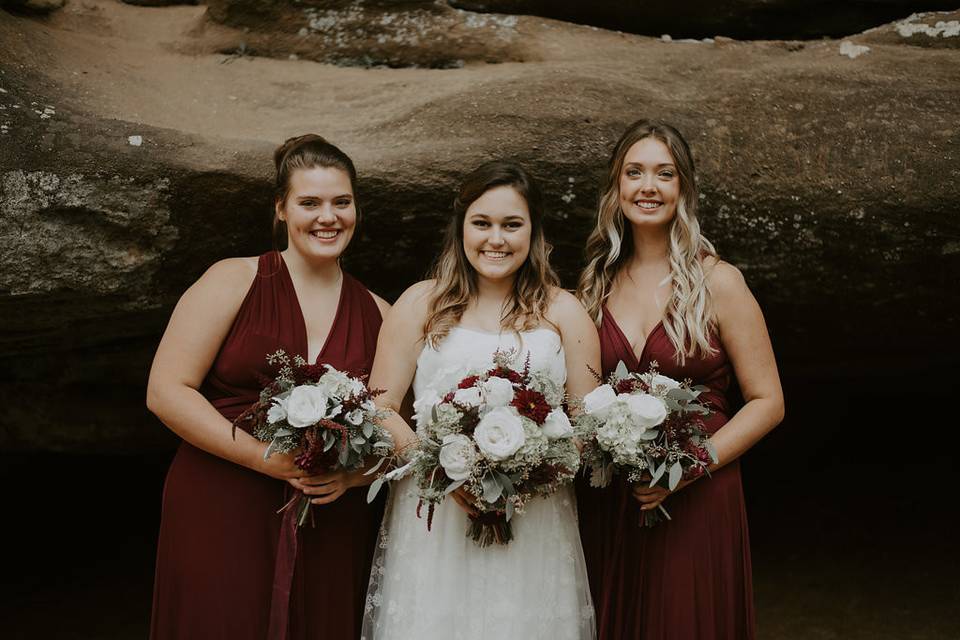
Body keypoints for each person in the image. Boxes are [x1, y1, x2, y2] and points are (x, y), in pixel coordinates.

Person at [147, 134, 390, 640]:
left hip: (328, 516)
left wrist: (352, 480)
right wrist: (265, 458)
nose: (329, 217)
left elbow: (394, 434)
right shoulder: (233, 280)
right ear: (281, 209)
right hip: (221, 497)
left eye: (341, 202)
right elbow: (167, 389)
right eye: (310, 203)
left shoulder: (382, 314)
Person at [361, 161, 599, 640]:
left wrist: (528, 474)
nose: (497, 239)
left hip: (534, 517)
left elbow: (587, 420)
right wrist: (443, 472)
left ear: (534, 232)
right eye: (482, 223)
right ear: (460, 228)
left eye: (512, 225)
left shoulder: (564, 311)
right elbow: (380, 407)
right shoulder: (419, 304)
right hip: (436, 518)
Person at [575, 119, 785, 639]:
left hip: (699, 491)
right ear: (616, 187)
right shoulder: (593, 285)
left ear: (683, 189)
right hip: (619, 494)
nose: (648, 186)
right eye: (635, 172)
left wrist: (693, 466)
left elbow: (768, 400)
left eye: (664, 174)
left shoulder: (719, 281)